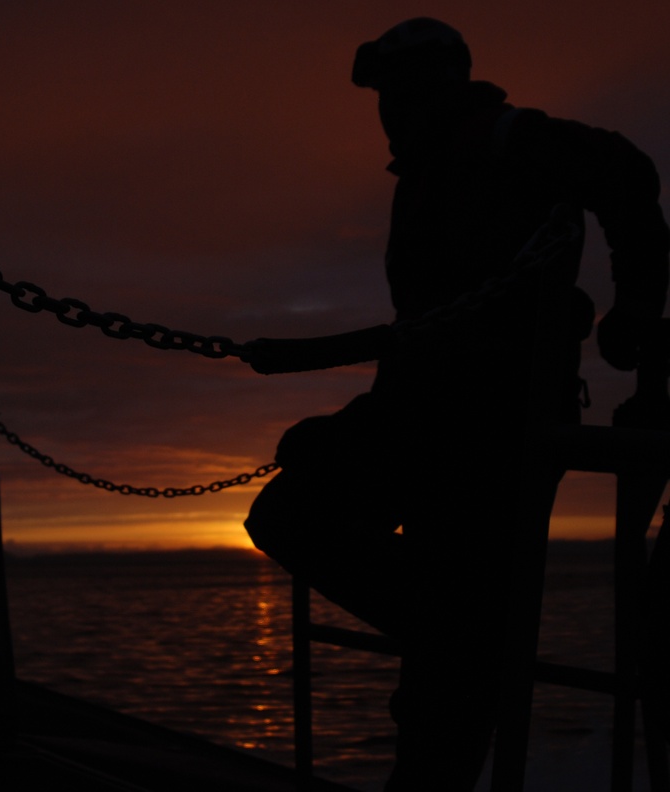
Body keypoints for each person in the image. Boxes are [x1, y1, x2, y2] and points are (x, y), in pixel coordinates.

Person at [243, 18, 669, 791]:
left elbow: (625, 170)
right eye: (381, 94)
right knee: (287, 513)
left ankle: (455, 641)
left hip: (494, 431)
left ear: (435, 84)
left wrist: (637, 303)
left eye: (395, 89)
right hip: (420, 415)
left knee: (448, 691)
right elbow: (428, 327)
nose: (386, 108)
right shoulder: (427, 175)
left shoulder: (508, 140)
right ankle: (453, 632)